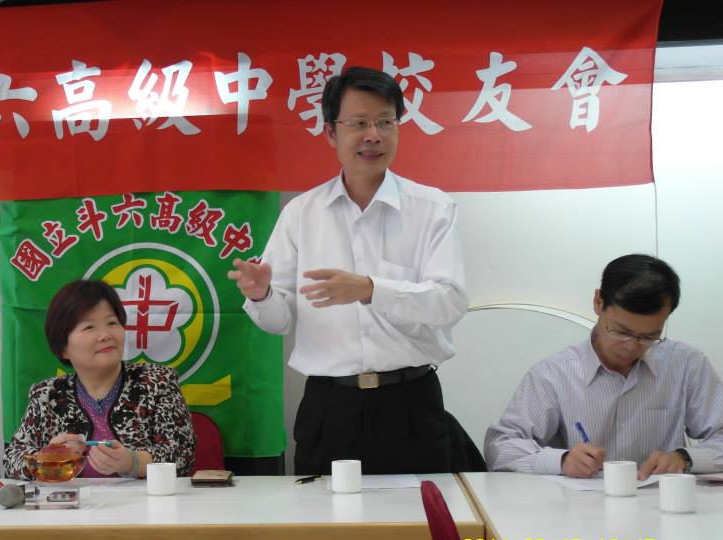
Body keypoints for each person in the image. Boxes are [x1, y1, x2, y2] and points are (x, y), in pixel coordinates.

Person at [229, 67, 468, 475]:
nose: (373, 135)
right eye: (358, 123)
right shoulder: (301, 214)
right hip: (330, 406)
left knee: (415, 514)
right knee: (325, 515)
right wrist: (262, 295)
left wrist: (371, 289)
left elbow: (450, 302)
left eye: (385, 122)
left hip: (410, 402)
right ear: (330, 132)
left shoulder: (432, 208)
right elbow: (277, 322)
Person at [485, 254, 723, 478]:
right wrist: (562, 460)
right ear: (598, 302)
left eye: (649, 337)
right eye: (621, 331)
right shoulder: (554, 374)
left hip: (662, 502)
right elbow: (500, 447)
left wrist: (685, 458)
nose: (631, 347)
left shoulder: (687, 365)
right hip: (577, 505)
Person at [3, 279, 196, 479]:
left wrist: (132, 462)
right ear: (63, 348)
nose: (105, 335)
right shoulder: (47, 395)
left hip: (143, 499)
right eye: (89, 327)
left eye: (112, 323)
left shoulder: (156, 382)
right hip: (71, 500)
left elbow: (183, 455)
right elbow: (11, 460)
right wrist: (48, 457)